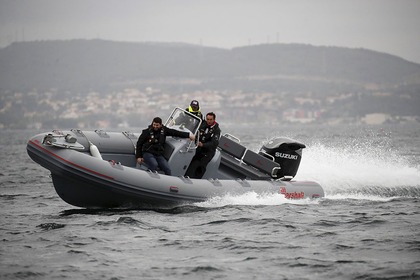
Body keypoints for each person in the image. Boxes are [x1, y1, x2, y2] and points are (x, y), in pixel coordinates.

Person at [185, 112, 221, 179]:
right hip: (199, 148)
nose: (209, 121)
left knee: (202, 165)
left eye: (210, 119)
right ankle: (187, 176)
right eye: (208, 119)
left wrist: (203, 145)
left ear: (214, 120)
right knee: (193, 161)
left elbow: (214, 143)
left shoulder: (216, 130)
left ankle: (197, 179)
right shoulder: (203, 124)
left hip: (208, 151)